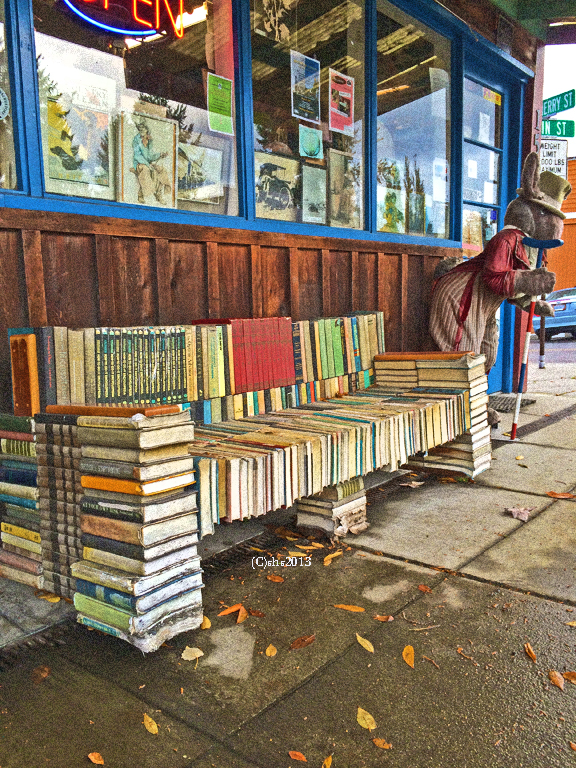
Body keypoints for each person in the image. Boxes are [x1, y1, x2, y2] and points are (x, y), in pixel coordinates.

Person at [429, 152, 571, 423]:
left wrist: (531, 302)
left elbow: (511, 289)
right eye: (544, 213)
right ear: (528, 209)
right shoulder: (506, 239)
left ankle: (475, 405)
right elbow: (494, 278)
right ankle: (458, 414)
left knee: (487, 352)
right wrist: (528, 281)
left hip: (484, 304)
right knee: (463, 355)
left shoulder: (526, 245)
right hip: (462, 296)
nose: (553, 224)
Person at [131, 119, 171, 205]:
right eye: (140, 129)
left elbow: (150, 156)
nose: (142, 130)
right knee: (147, 170)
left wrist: (160, 155)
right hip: (138, 163)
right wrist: (147, 164)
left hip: (147, 163)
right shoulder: (136, 140)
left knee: (161, 170)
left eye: (143, 128)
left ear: (147, 130)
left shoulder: (149, 141)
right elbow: (137, 156)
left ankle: (158, 194)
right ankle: (141, 195)